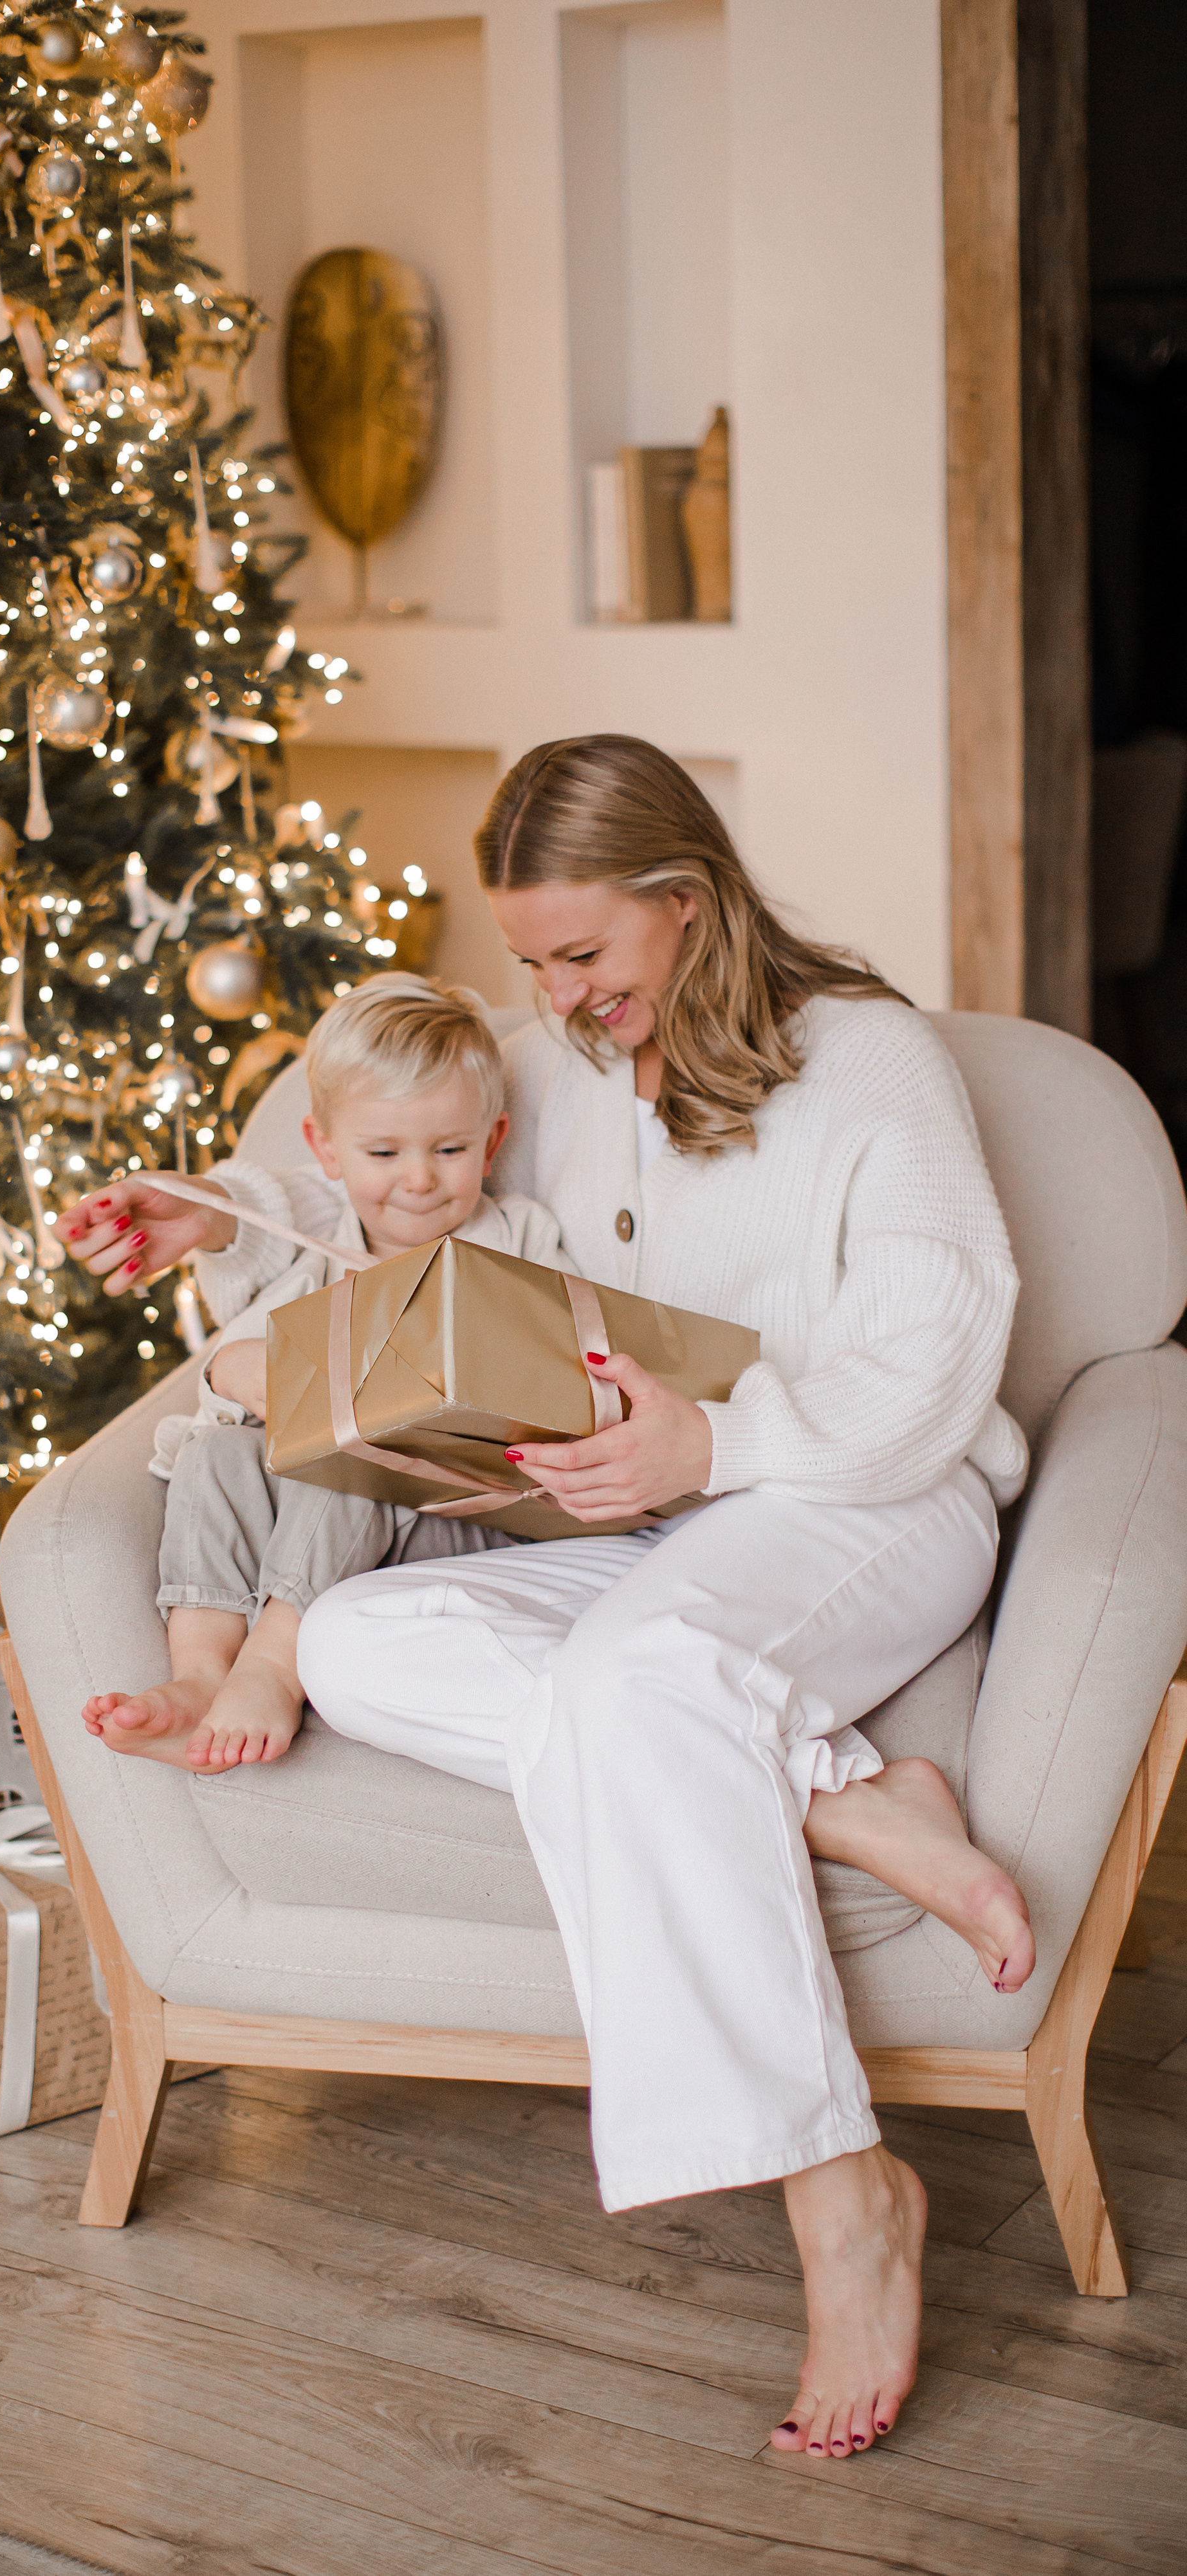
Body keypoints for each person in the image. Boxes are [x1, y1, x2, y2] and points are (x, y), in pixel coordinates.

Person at [60, 735, 1037, 2464]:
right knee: (354, 1637)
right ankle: (846, 1790)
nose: (556, 995)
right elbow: (371, 1162)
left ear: (689, 895)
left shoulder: (871, 1062)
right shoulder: (557, 1053)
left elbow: (935, 1352)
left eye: (584, 954)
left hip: (861, 1493)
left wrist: (713, 1447)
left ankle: (845, 2191)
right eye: (529, 961)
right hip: (634, 1512)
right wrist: (199, 1207)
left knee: (643, 1676)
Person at [82, 976, 563, 1773]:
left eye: (449, 1150)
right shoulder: (316, 1261)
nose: (418, 1180)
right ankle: (202, 1673)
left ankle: (275, 1663)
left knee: (353, 1442)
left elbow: (559, 1376)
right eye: (383, 1153)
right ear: (325, 1150)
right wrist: (248, 1379)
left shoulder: (520, 1244)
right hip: (324, 1518)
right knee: (215, 1453)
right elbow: (230, 1387)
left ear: (493, 1139)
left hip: (462, 1521)